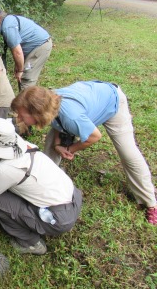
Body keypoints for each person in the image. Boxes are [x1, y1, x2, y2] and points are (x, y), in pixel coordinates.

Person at [11, 81, 157, 224]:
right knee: (50, 148)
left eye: (22, 116)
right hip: (88, 103)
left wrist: (69, 149)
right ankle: (43, 185)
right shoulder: (49, 105)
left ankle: (150, 203)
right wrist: (57, 145)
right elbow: (56, 122)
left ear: (36, 114)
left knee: (129, 154)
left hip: (113, 102)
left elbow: (95, 136)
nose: (19, 118)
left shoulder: (71, 117)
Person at [0, 118, 82, 254]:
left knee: (0, 202)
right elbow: (14, 172)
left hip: (58, 219)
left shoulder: (4, 171)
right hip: (74, 197)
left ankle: (31, 243)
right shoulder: (27, 147)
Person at [0, 4, 52, 91]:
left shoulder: (7, 27)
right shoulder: (8, 21)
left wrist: (20, 71)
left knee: (26, 81)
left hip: (40, 46)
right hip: (37, 45)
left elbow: (17, 52)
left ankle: (28, 103)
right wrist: (18, 65)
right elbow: (16, 49)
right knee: (24, 79)